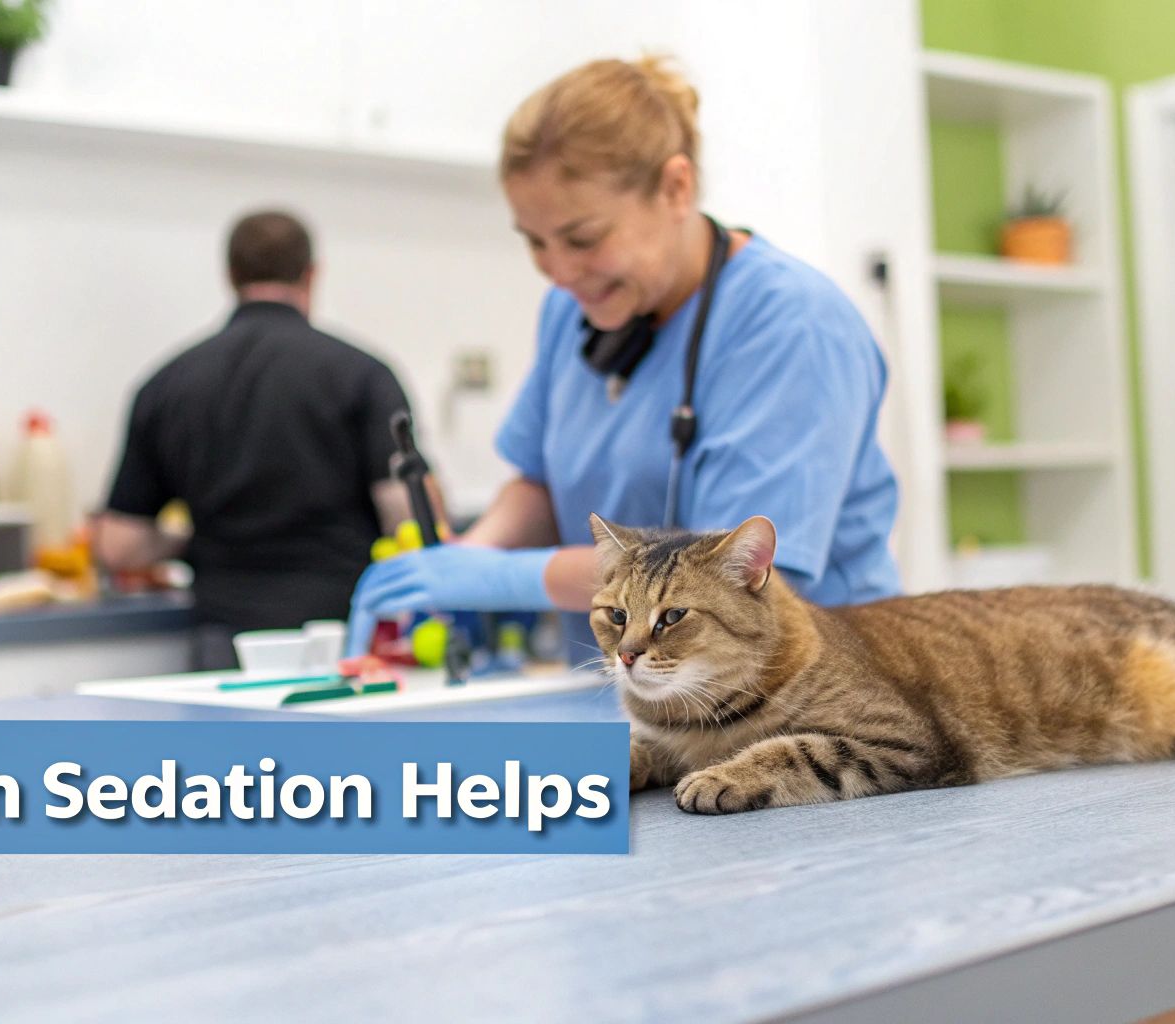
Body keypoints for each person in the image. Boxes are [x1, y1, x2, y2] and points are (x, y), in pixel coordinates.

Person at [347, 56, 899, 665]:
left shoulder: (793, 325)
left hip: (800, 695)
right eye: (534, 241)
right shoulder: (572, 310)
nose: (558, 270)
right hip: (635, 685)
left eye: (583, 239)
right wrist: (464, 558)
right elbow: (539, 479)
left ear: (676, 188)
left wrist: (504, 579)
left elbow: (737, 583)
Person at [99, 209, 429, 670]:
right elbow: (409, 514)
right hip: (341, 638)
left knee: (235, 746)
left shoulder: (166, 385)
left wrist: (187, 538)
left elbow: (120, 545)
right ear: (311, 275)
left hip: (224, 644)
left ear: (231, 275)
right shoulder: (364, 375)